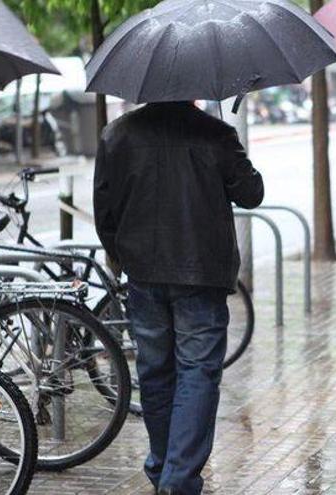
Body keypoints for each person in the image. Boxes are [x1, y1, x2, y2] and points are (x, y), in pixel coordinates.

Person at [93, 101, 263, 495]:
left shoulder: (117, 134)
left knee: (155, 373)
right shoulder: (215, 133)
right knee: (197, 373)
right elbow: (251, 193)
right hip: (200, 273)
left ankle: (163, 466)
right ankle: (178, 478)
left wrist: (124, 253)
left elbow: (105, 210)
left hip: (145, 273)